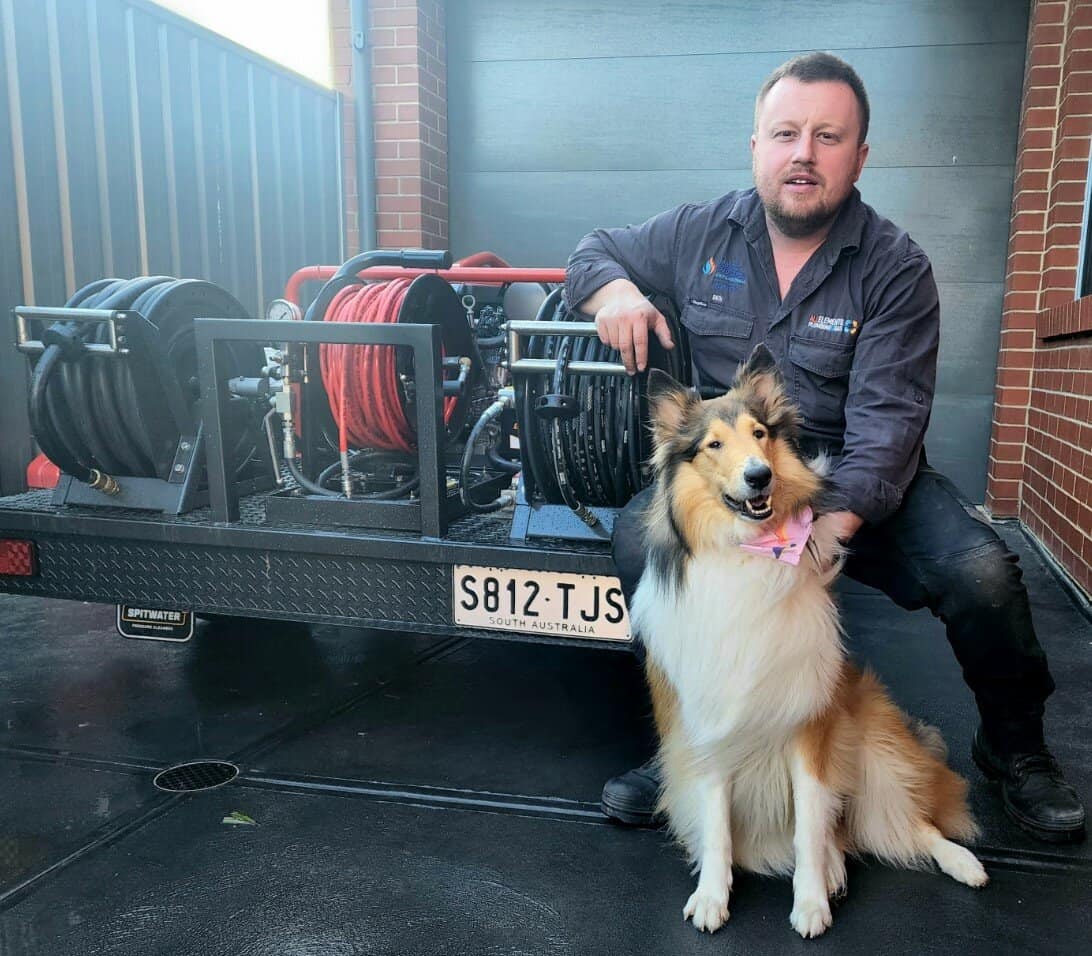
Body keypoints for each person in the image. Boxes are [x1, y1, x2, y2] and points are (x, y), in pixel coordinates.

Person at [564, 52, 1085, 844]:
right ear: (756, 147)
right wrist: (619, 291)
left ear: (859, 156)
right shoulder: (698, 232)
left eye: (827, 135)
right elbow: (591, 251)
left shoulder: (895, 267)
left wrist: (818, 537)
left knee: (980, 571)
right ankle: (691, 742)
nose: (803, 152)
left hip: (850, 479)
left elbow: (889, 427)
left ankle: (1014, 746)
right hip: (735, 474)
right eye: (785, 133)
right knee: (641, 535)